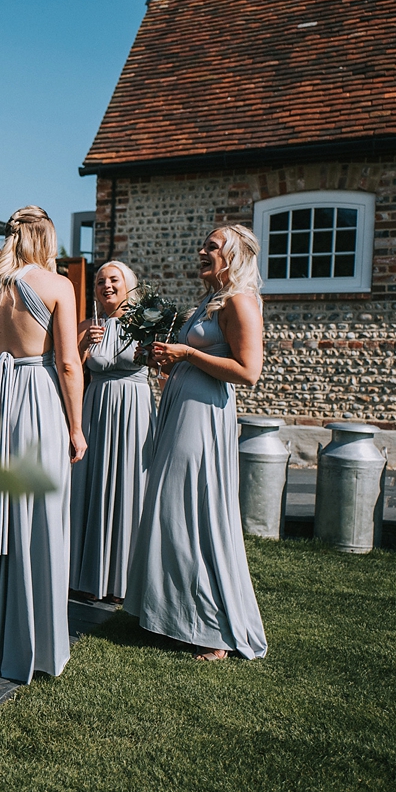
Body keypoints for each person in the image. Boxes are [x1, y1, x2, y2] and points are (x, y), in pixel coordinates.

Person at [0, 206, 86, 683]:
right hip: (35, 399)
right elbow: (68, 364)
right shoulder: (56, 286)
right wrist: (76, 426)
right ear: (45, 240)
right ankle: (30, 639)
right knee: (35, 511)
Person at [124, 224, 268, 661]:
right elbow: (195, 357)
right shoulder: (208, 301)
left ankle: (208, 629)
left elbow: (248, 371)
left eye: (213, 246)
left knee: (189, 507)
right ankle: (171, 614)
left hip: (204, 414)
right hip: (182, 405)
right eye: (203, 245)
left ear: (237, 255)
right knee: (170, 508)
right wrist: (164, 356)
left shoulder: (240, 302)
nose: (202, 251)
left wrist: (187, 354)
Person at [69, 261, 154, 604]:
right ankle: (85, 577)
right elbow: (68, 368)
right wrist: (81, 346)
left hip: (134, 410)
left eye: (114, 279)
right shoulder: (87, 325)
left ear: (128, 284)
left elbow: (162, 364)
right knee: (91, 486)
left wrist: (148, 349)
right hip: (96, 408)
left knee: (128, 485)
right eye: (101, 281)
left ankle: (123, 580)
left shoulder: (146, 322)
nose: (106, 285)